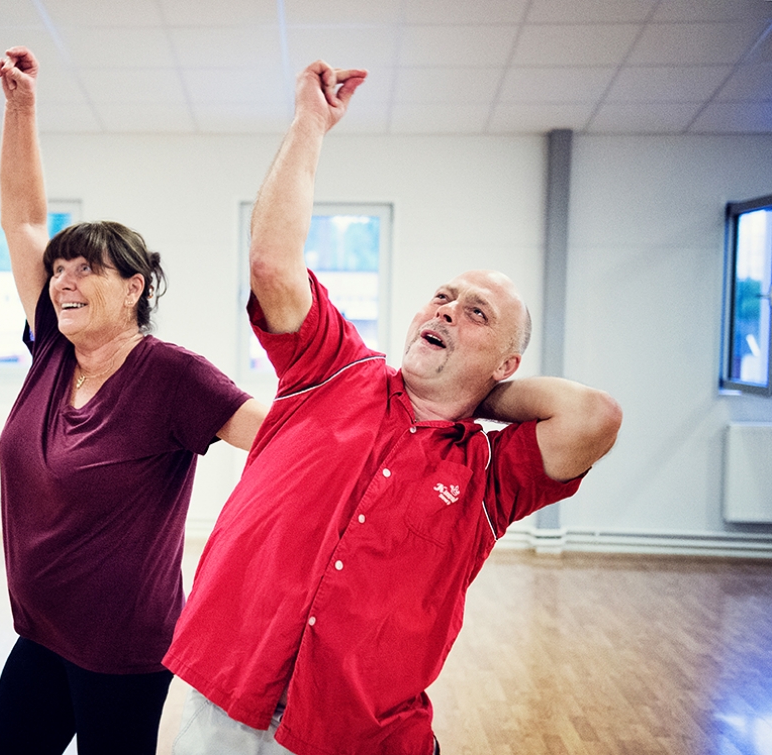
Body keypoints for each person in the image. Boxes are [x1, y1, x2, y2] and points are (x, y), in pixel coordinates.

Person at [163, 60, 623, 755]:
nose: (447, 309)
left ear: (505, 362)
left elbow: (594, 416)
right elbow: (271, 266)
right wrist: (310, 123)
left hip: (357, 734)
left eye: (476, 313)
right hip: (228, 695)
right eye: (442, 296)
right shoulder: (331, 365)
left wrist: (472, 395)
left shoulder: (490, 475)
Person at [0, 46, 268, 755]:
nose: (62, 281)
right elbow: (23, 220)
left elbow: (275, 438)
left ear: (134, 286)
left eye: (86, 270)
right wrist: (20, 107)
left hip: (122, 648)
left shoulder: (174, 377)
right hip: (42, 631)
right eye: (59, 269)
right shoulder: (52, 348)